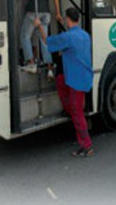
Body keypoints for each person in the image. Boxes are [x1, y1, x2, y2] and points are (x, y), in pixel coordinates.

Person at [35, 8, 93, 157]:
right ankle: (83, 141)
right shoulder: (85, 35)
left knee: (76, 112)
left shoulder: (68, 37)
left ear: (67, 20)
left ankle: (87, 146)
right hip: (84, 77)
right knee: (77, 110)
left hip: (75, 80)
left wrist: (39, 26)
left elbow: (48, 42)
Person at [19, 0, 54, 77]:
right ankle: (49, 67)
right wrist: (58, 13)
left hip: (34, 10)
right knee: (44, 39)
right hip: (46, 12)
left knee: (25, 36)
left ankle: (30, 63)